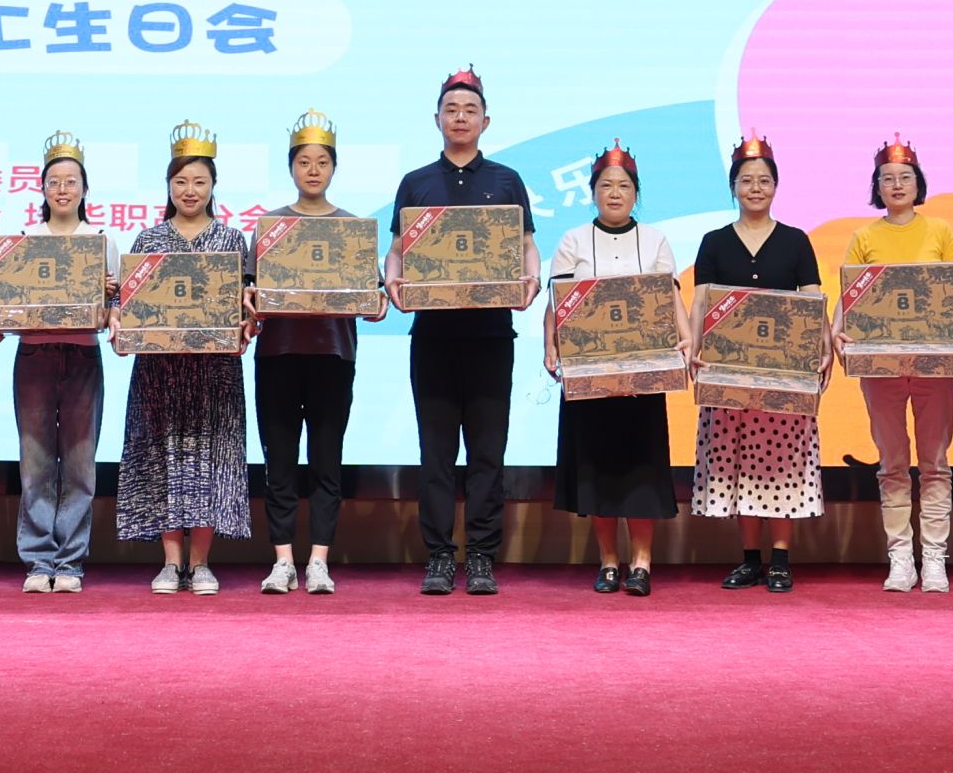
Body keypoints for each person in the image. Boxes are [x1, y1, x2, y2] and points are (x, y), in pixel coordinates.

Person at [392, 67, 534, 597]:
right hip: (432, 337)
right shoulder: (416, 183)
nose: (460, 117)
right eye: (451, 109)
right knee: (435, 454)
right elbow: (398, 251)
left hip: (491, 336)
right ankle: (438, 556)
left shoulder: (506, 180)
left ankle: (480, 556)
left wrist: (531, 279)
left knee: (487, 453)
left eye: (469, 110)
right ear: (437, 119)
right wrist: (392, 280)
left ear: (485, 121)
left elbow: (525, 246)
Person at [115, 124, 252, 593]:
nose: (189, 190)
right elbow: (126, 303)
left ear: (213, 186)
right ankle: (171, 564)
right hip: (160, 370)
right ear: (168, 186)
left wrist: (248, 321)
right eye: (180, 181)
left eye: (199, 181)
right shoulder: (148, 241)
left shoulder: (231, 241)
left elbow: (244, 304)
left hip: (215, 371)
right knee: (163, 456)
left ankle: (202, 563)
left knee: (211, 457)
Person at [546, 144, 680, 595]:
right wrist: (550, 346)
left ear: (636, 193)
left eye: (624, 186)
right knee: (597, 469)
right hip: (590, 375)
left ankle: (641, 562)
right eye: (606, 185)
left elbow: (669, 300)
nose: (615, 193)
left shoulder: (656, 240)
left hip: (644, 376)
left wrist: (685, 343)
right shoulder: (573, 240)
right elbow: (558, 304)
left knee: (642, 468)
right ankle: (607, 561)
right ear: (593, 192)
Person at [690, 138, 821, 594]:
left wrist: (820, 351)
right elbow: (701, 304)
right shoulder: (713, 242)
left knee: (781, 464)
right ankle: (749, 560)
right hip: (726, 374)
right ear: (733, 187)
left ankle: (780, 560)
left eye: (764, 180)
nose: (755, 188)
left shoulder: (796, 240)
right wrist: (695, 351)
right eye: (746, 181)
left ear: (776, 186)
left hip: (783, 377)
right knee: (739, 463)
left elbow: (812, 304)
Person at [254, 110, 374, 597]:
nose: (313, 170)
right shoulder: (270, 227)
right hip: (278, 356)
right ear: (291, 167)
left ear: (334, 168)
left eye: (322, 162)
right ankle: (283, 561)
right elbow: (250, 291)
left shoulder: (351, 229)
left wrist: (377, 301)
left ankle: (319, 561)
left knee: (327, 460)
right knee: (279, 462)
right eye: (303, 161)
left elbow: (370, 297)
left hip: (333, 357)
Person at [844, 136, 953, 595]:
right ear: (876, 187)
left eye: (905, 177)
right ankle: (900, 557)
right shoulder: (864, 238)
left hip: (934, 363)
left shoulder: (940, 231)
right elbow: (851, 297)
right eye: (887, 179)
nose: (896, 185)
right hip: (881, 366)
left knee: (935, 462)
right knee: (892, 463)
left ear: (919, 184)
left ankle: (934, 557)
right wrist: (839, 331)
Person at [8, 134, 107, 593]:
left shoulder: (101, 242)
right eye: (54, 182)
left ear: (85, 189)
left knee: (81, 463)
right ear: (42, 189)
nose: (62, 189)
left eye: (71, 181)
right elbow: (10, 305)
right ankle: (38, 560)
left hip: (83, 353)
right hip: (34, 354)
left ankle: (70, 561)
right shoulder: (24, 242)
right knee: (36, 461)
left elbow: (113, 311)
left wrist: (109, 299)